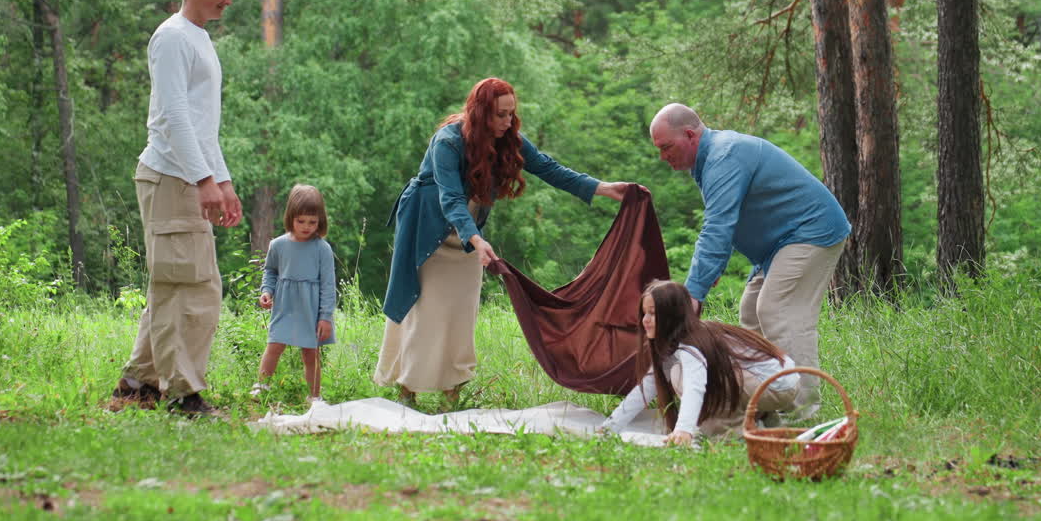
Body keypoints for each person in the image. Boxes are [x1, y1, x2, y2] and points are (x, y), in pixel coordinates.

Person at [374, 77, 631, 407]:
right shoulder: (447, 142)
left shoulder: (508, 139)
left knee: (461, 310)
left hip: (469, 234)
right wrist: (477, 240)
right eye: (500, 115)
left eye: (511, 114)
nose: (508, 122)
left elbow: (549, 168)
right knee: (425, 310)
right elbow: (451, 198)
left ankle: (452, 392)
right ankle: (408, 389)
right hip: (428, 227)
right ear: (481, 113)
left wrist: (602, 188)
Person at [648, 103, 849, 417]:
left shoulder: (724, 156)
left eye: (666, 147)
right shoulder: (710, 161)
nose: (662, 156)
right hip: (776, 246)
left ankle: (802, 413)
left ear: (689, 135)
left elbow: (717, 226)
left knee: (779, 310)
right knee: (750, 314)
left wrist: (694, 293)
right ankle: (764, 405)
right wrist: (714, 266)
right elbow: (729, 219)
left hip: (811, 230)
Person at [110, 0, 241, 416]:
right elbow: (173, 117)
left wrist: (221, 181)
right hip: (170, 176)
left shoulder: (198, 38)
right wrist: (204, 179)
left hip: (189, 176)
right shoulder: (171, 39)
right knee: (188, 288)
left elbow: (204, 124)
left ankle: (137, 384)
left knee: (178, 282)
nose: (228, 1)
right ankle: (182, 395)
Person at [599, 280, 799, 444]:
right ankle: (762, 419)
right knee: (701, 413)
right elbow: (646, 389)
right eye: (644, 313)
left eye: (652, 313)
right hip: (772, 384)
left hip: (777, 386)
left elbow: (695, 387)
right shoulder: (673, 345)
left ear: (670, 315)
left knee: (681, 377)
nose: (645, 320)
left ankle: (737, 433)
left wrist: (683, 430)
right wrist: (608, 428)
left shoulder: (690, 345)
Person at [250, 184, 336, 402]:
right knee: (274, 344)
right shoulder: (277, 245)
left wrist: (325, 317)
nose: (306, 227)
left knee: (310, 353)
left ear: (321, 221)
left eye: (312, 222)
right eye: (301, 221)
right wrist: (267, 291)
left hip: (311, 308)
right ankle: (262, 387)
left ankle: (314, 397)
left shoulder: (322, 249)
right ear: (290, 218)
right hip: (285, 305)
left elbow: (328, 284)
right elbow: (270, 271)